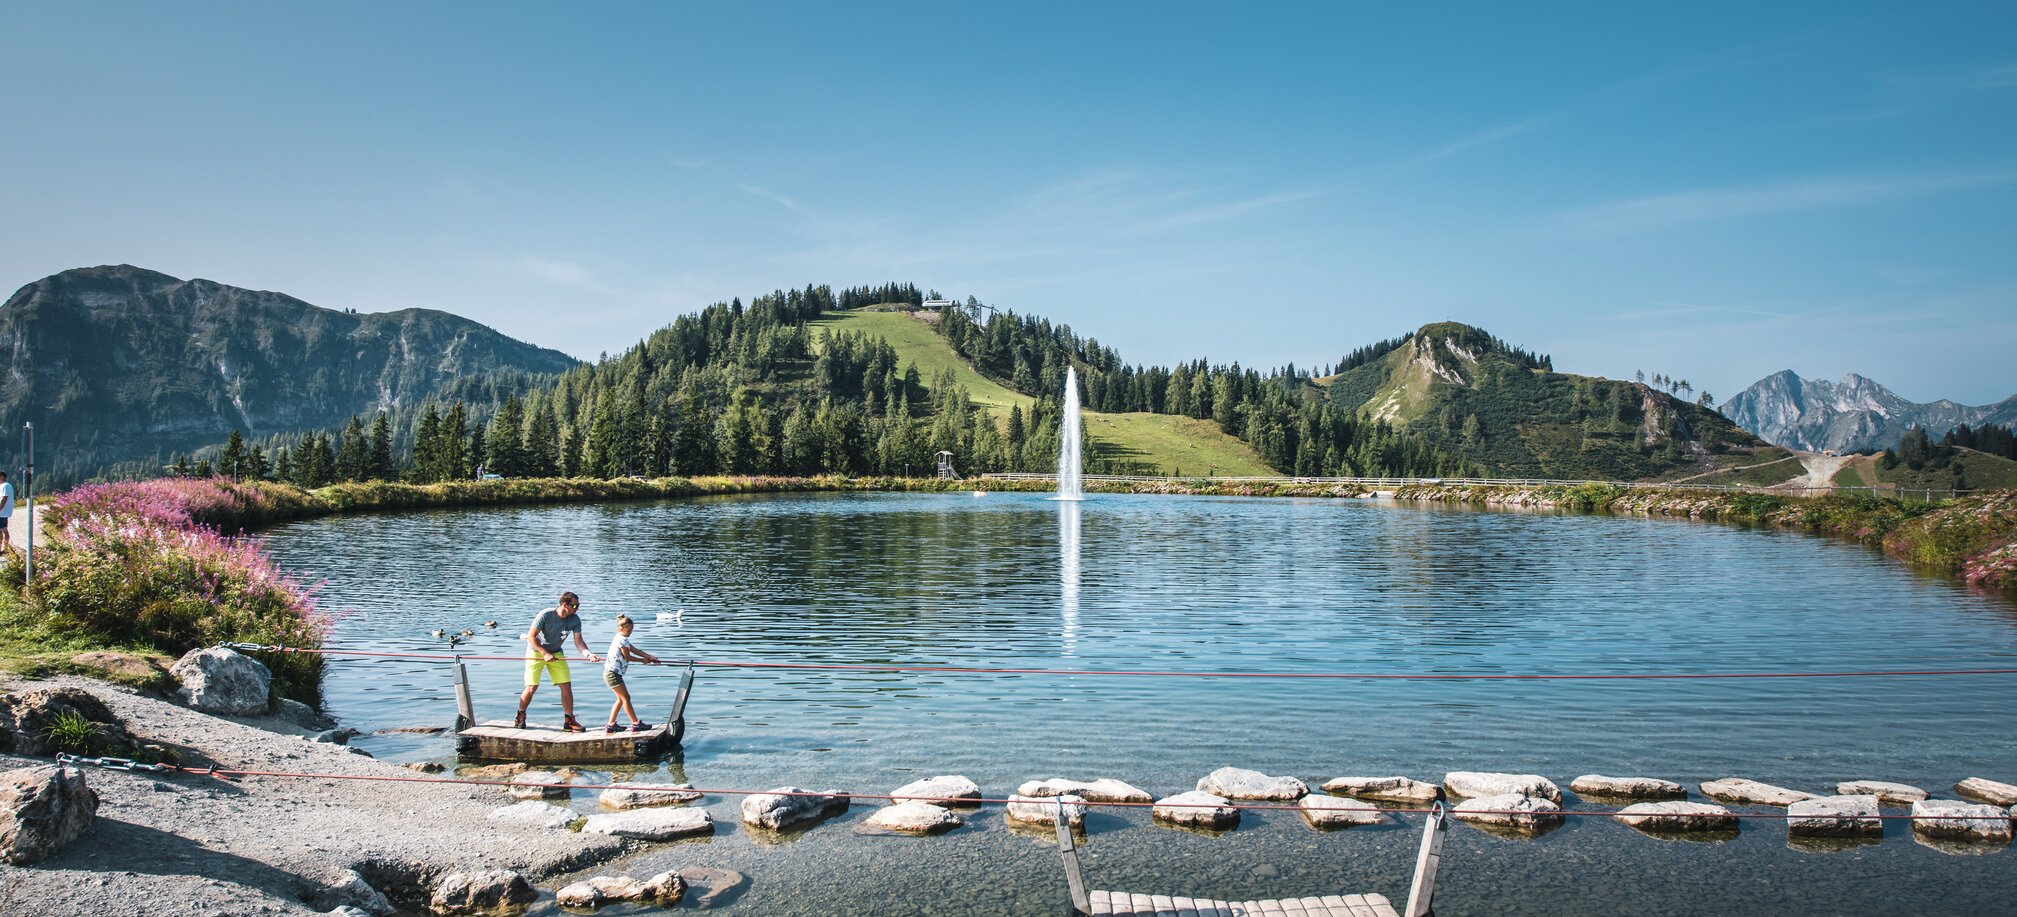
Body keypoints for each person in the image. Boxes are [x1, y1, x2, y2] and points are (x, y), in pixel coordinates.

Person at [515, 591, 600, 732]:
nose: (577, 608)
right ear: (564, 604)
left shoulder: (575, 620)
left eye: (578, 605)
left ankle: (569, 720)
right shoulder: (546, 615)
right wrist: (545, 653)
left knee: (566, 686)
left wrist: (588, 654)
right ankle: (520, 715)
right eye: (574, 606)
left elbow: (579, 642)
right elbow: (531, 637)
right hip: (536, 651)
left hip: (556, 653)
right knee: (531, 687)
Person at [602, 614, 662, 733]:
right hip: (612, 674)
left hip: (612, 673)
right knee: (626, 698)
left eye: (632, 630)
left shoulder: (619, 637)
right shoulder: (622, 640)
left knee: (620, 699)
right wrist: (642, 660)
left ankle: (611, 725)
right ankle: (635, 723)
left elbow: (633, 649)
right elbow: (628, 656)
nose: (630, 632)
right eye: (629, 630)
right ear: (621, 628)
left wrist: (648, 656)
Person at [0, 471, 13, 553]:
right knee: (4, 529)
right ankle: (5, 548)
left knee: (2, 530)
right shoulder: (5, 486)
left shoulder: (5, 486)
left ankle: (3, 548)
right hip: (3, 512)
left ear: (1, 476)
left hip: (2, 512)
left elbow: (4, 499)